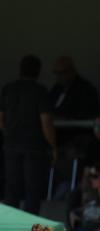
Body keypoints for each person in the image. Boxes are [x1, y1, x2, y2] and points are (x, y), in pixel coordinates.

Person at [0, 55, 56, 215]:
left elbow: (1, 119)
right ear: (38, 71)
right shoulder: (40, 91)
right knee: (32, 190)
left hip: (11, 146)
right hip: (34, 147)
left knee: (12, 189)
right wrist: (53, 145)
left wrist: (10, 134)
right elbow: (46, 121)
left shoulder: (8, 89)